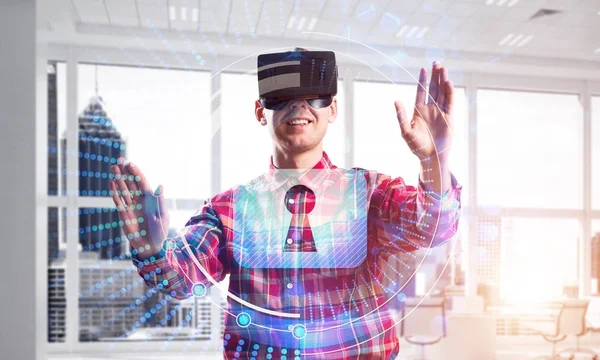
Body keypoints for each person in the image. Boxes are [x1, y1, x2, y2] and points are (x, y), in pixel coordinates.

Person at [110, 48, 462, 359]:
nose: (300, 106)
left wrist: (435, 160)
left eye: (315, 97)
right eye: (284, 97)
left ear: (333, 108)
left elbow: (432, 226)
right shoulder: (228, 210)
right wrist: (152, 246)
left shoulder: (369, 193)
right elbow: (182, 280)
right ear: (261, 111)